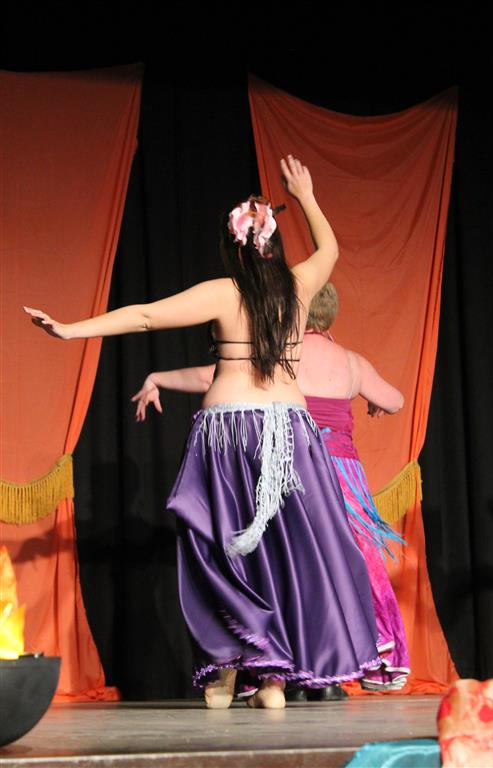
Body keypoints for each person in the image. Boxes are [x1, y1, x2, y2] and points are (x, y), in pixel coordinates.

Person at [24, 156, 382, 710]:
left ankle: (227, 673)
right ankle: (273, 680)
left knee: (223, 548)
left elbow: (145, 316)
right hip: (289, 431)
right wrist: (306, 195)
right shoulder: (298, 286)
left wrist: (71, 331)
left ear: (232, 249)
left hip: (228, 433)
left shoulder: (224, 292)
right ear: (272, 245)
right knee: (283, 552)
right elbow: (330, 250)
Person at [133, 284, 410, 693]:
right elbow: (396, 400)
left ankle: (272, 669)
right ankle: (343, 665)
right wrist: (372, 399)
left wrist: (158, 377)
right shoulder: (352, 362)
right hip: (342, 473)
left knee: (282, 566)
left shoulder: (277, 354)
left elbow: (211, 376)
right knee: (342, 563)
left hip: (293, 465)